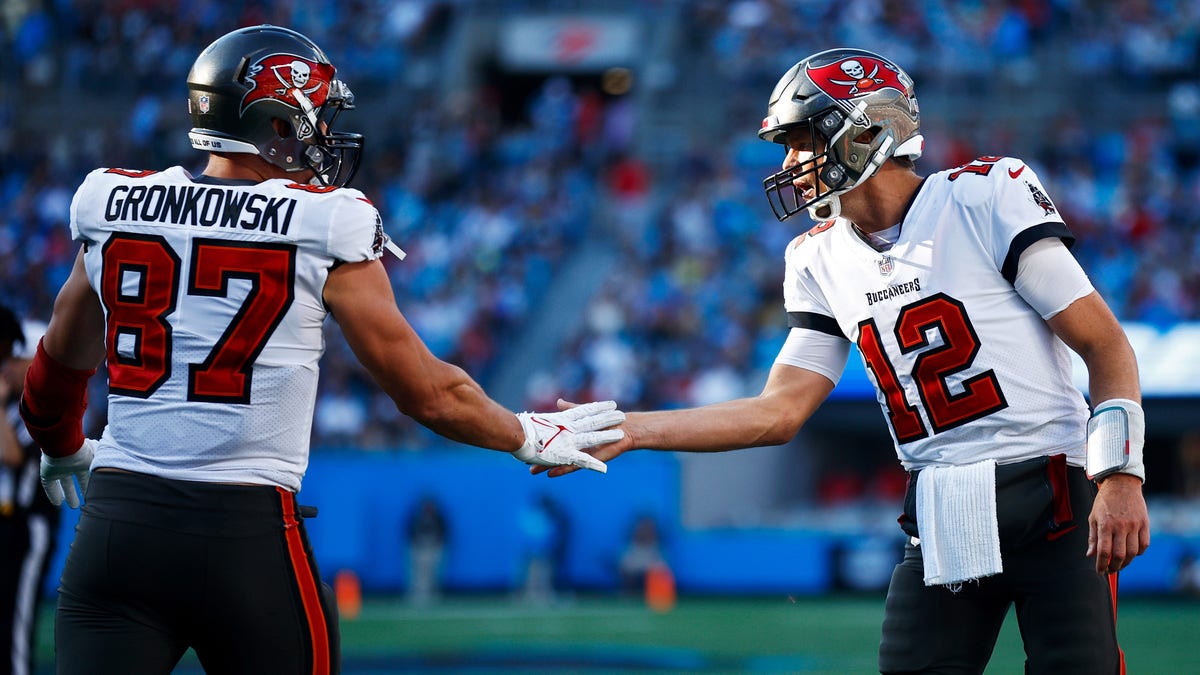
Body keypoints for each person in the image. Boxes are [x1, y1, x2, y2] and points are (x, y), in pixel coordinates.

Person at [19, 25, 624, 675]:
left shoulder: (112, 202)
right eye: (313, 117)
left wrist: (59, 444)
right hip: (244, 535)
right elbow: (427, 392)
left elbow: (56, 364)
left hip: (117, 529)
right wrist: (522, 432)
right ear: (272, 120)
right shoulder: (324, 219)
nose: (322, 136)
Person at [541, 48, 1150, 674]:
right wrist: (634, 429)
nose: (787, 164)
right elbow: (777, 412)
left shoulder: (984, 197)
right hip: (943, 506)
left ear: (865, 129)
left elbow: (1105, 346)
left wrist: (1121, 475)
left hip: (1053, 490)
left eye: (800, 140)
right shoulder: (816, 259)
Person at [0, 309, 57, 675]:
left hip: (29, 524)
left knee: (15, 625)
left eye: (14, 359)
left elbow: (13, 454)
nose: (6, 367)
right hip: (10, 522)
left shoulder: (41, 404)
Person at [405, 495, 448, 606]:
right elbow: (410, 533)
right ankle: (419, 595)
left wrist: (436, 544)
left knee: (433, 572)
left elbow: (443, 533)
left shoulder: (438, 517)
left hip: (433, 548)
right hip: (420, 548)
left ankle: (433, 593)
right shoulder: (416, 517)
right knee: (419, 573)